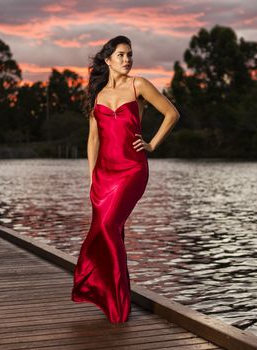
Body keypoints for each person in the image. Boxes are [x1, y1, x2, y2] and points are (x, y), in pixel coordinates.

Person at [71, 35, 180, 323]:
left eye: (129, 54)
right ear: (107, 60)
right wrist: (91, 177)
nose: (127, 59)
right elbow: (93, 140)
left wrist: (152, 144)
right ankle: (107, 294)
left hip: (132, 170)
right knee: (108, 230)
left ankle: (118, 303)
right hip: (103, 176)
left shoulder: (139, 85)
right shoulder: (97, 97)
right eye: (121, 55)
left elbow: (171, 113)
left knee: (108, 226)